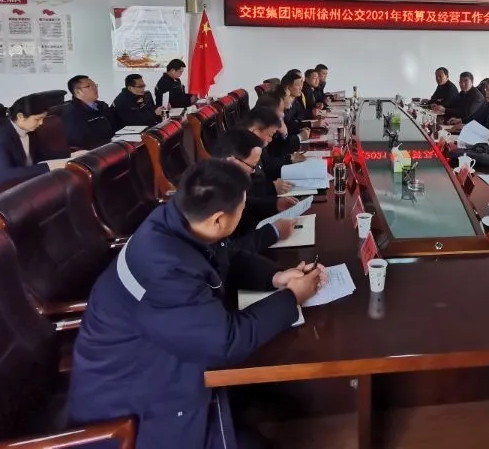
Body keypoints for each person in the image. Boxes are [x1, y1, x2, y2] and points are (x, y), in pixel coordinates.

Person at [68, 159, 326, 449]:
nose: (242, 215)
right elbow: (226, 342)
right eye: (241, 210)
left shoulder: (175, 221)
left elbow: (226, 256)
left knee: (284, 402)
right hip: (134, 409)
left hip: (164, 365)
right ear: (218, 220)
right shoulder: (165, 270)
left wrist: (276, 277)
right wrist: (292, 297)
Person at [211, 129, 298, 245]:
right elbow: (227, 251)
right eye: (253, 166)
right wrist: (273, 232)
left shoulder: (224, 181)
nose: (253, 172)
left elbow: (246, 206)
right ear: (232, 161)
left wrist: (275, 205)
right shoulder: (209, 198)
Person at [0, 94, 52, 195]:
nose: (41, 123)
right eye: (37, 119)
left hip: (17, 187)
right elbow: (5, 174)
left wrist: (68, 157)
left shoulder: (31, 132)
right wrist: (47, 167)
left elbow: (43, 155)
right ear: (20, 116)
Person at [63, 75, 116, 150]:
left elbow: (114, 127)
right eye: (89, 86)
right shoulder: (72, 112)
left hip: (112, 144)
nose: (95, 88)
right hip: (95, 151)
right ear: (78, 91)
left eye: (95, 85)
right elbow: (78, 141)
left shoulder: (102, 106)